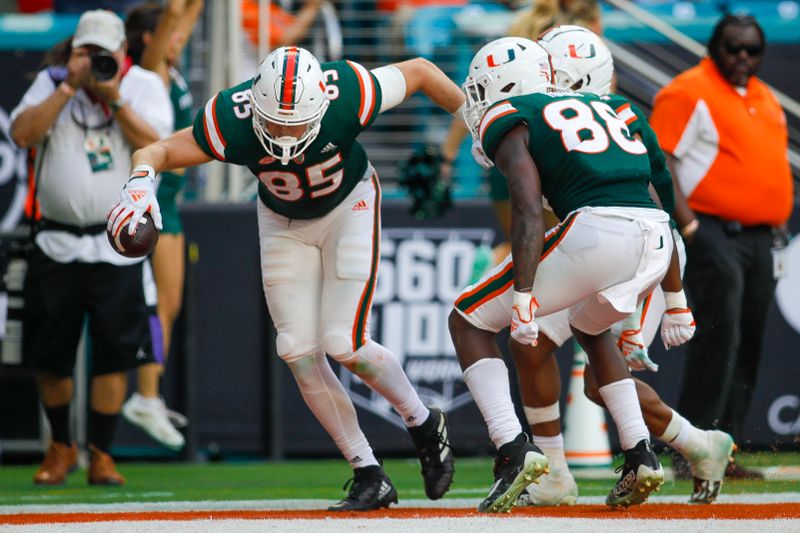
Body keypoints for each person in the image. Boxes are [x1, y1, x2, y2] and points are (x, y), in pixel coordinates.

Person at [107, 46, 462, 511]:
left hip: (349, 206)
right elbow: (154, 150)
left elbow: (419, 72)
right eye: (274, 123)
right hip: (282, 221)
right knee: (295, 349)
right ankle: (367, 471)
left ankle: (421, 422)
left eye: (294, 124)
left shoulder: (348, 92)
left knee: (346, 342)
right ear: (255, 104)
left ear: (320, 105)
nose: (284, 134)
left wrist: (477, 122)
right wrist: (139, 180)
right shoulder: (231, 118)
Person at [505, 25, 733, 507]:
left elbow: (656, 204)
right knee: (533, 345)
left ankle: (698, 445)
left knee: (596, 383)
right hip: (604, 244)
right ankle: (556, 471)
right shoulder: (580, 115)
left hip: (645, 251)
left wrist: (675, 298)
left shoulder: (612, 117)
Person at [449, 36, 676, 512]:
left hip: (596, 233)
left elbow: (529, 210)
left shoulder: (510, 116)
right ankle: (640, 453)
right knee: (589, 328)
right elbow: (659, 199)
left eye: (482, 90)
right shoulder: (609, 105)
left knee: (467, 318)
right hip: (654, 239)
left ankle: (513, 449)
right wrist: (676, 297)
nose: (477, 102)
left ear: (508, 85)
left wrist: (524, 294)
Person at [10, 9, 172, 485]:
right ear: (73, 51)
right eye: (88, 53)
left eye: (106, 54)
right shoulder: (51, 82)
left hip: (116, 244)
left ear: (124, 53)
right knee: (50, 351)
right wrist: (68, 87)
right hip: (56, 240)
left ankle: (101, 452)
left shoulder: (142, 85)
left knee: (114, 353)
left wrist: (113, 97)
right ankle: (60, 445)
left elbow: (160, 146)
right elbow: (22, 134)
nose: (97, 61)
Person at [650, 14, 793, 479]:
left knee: (748, 338)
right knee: (718, 335)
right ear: (713, 48)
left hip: (758, 236)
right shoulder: (687, 90)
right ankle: (690, 449)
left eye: (752, 50)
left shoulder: (762, 95)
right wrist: (689, 227)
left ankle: (724, 451)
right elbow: (659, 158)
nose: (743, 58)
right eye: (734, 49)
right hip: (711, 229)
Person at [118, 0, 203, 453]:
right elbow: (175, 13)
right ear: (150, 39)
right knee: (158, 305)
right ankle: (145, 395)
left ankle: (150, 392)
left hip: (172, 202)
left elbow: (185, 18)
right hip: (157, 202)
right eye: (170, 33)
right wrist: (175, 12)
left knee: (168, 305)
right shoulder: (149, 71)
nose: (180, 39)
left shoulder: (167, 64)